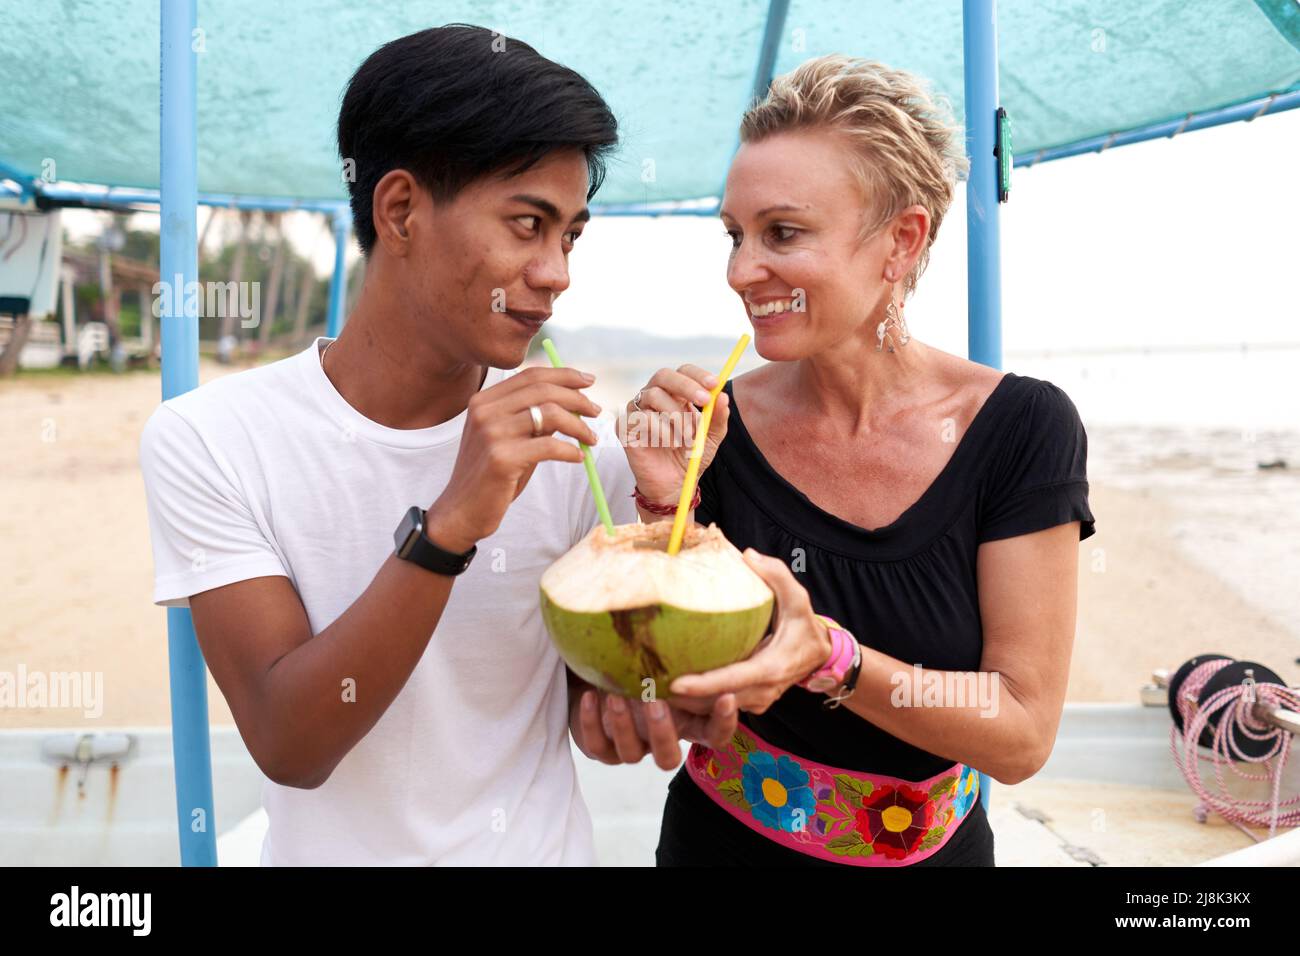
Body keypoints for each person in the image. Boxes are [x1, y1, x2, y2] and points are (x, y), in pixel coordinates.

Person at [140, 24, 733, 866]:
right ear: (400, 209)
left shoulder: (577, 453)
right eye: (527, 224)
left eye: (569, 235)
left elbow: (596, 702)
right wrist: (451, 523)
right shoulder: (212, 440)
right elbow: (290, 741)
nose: (557, 271)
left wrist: (663, 515)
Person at [627, 55, 1097, 867]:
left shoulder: (1023, 427)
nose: (742, 271)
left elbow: (1019, 734)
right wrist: (668, 512)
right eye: (735, 236)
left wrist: (830, 658)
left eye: (782, 232)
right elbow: (663, 698)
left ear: (901, 240)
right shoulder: (717, 431)